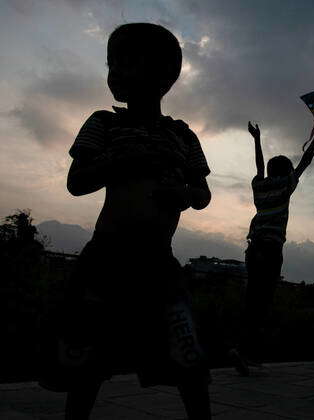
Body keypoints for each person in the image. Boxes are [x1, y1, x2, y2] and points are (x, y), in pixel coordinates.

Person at [40, 23, 212, 420]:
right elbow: (76, 182)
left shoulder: (183, 136)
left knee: (187, 359)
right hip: (105, 260)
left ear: (166, 76)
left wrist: (182, 195)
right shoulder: (105, 123)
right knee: (85, 363)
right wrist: (122, 161)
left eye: (126, 63)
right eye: (111, 64)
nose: (114, 73)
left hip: (159, 265)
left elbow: (202, 195)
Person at [230, 115, 314, 376]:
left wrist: (257, 139)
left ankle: (243, 349)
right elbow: (307, 159)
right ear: (287, 172)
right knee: (263, 302)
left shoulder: (259, 186)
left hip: (253, 250)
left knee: (252, 299)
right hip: (271, 249)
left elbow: (259, 166)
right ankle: (247, 352)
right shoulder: (287, 185)